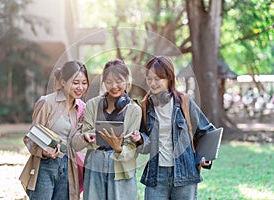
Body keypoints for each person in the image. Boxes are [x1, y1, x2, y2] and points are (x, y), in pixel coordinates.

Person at [136, 56, 215, 200]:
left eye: (157, 79)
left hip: (185, 174)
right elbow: (143, 144)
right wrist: (139, 139)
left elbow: (207, 131)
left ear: (169, 78)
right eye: (149, 79)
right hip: (156, 175)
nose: (152, 83)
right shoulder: (145, 106)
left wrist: (206, 157)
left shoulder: (184, 102)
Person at [72, 59, 142, 200]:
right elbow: (85, 133)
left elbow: (132, 146)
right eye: (109, 82)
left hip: (121, 166)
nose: (114, 86)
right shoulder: (92, 105)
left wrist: (119, 148)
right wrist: (87, 137)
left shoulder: (134, 110)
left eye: (118, 81)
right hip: (95, 163)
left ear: (127, 80)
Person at [19, 60, 89, 200]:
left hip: (69, 166)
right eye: (75, 83)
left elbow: (76, 144)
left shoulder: (81, 108)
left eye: (84, 83)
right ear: (63, 82)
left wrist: (86, 138)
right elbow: (30, 138)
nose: (80, 87)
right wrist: (43, 152)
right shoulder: (47, 103)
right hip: (45, 165)